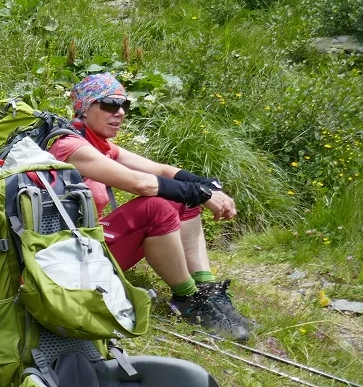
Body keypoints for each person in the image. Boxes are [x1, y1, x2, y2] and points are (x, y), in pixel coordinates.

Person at [45, 73, 253, 341]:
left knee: (182, 199)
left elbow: (160, 170)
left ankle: (206, 291)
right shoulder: (71, 148)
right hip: (67, 258)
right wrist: (201, 194)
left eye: (124, 106)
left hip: (89, 248)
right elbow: (140, 183)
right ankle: (188, 299)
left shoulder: (102, 146)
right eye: (109, 104)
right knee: (155, 207)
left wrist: (204, 185)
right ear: (85, 109)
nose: (119, 112)